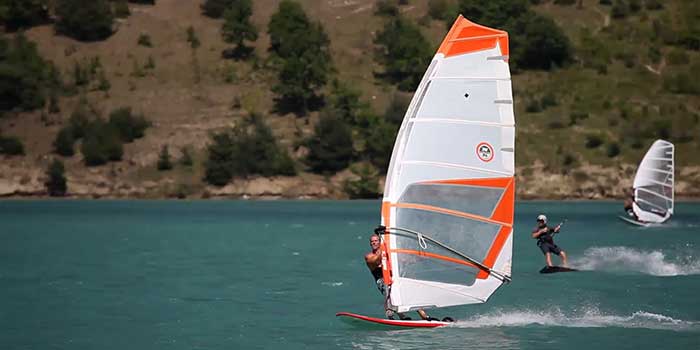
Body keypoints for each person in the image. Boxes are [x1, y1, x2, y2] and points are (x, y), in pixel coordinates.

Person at [365, 225, 435, 321]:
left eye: (376, 240)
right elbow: (377, 260)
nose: (373, 243)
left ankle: (424, 316)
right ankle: (398, 316)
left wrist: (420, 258)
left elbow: (403, 260)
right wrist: (383, 238)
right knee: (391, 290)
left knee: (409, 291)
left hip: (394, 278)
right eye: (372, 241)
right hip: (382, 281)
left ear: (379, 242)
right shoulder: (369, 256)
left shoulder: (387, 252)